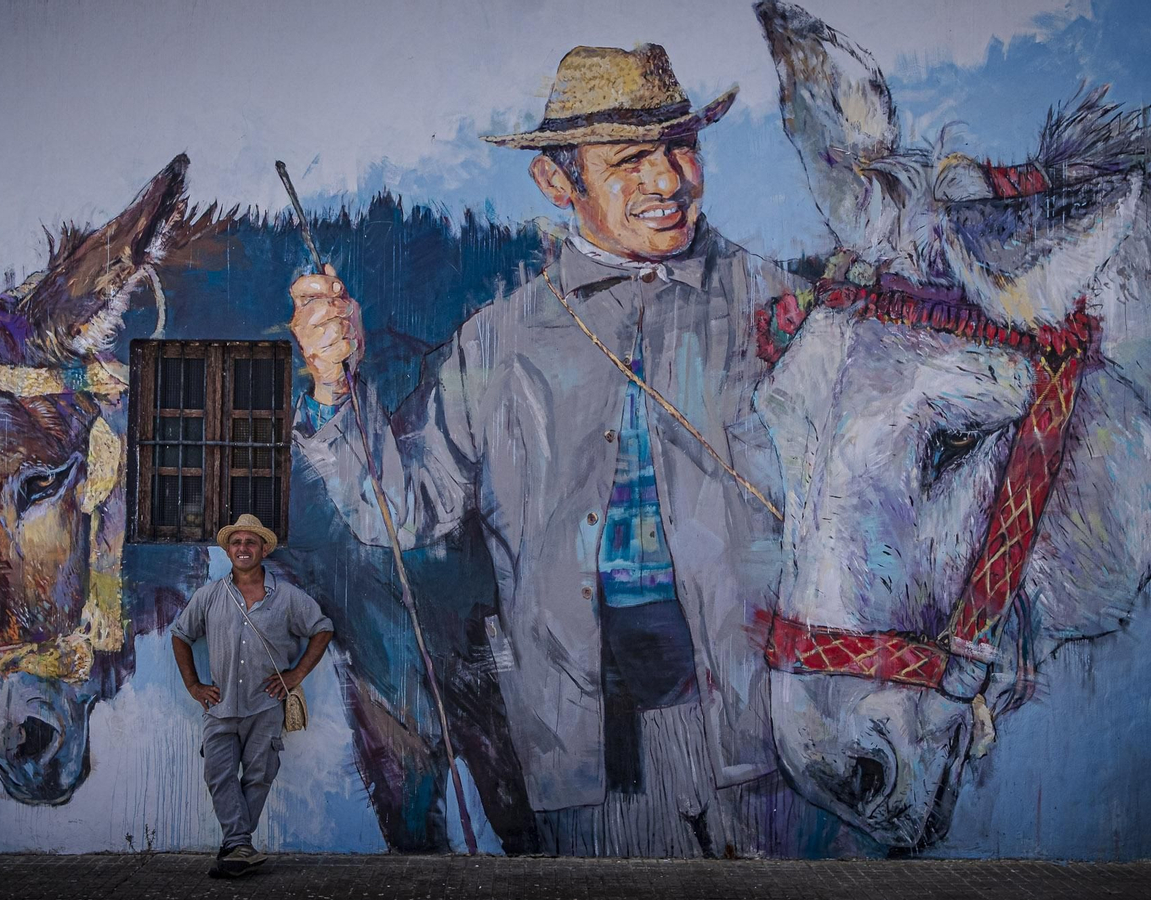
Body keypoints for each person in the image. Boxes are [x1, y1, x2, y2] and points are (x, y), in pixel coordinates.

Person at [289, 44, 803, 857]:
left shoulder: (779, 310)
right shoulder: (498, 344)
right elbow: (403, 511)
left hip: (765, 730)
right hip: (582, 738)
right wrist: (332, 385)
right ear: (557, 184)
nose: (668, 181)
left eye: (680, 147)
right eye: (631, 159)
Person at [170, 514, 335, 877]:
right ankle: (239, 846)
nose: (243, 548)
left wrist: (297, 674)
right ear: (229, 551)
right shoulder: (210, 595)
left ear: (263, 550)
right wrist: (194, 686)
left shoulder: (287, 597)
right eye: (236, 542)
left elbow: (322, 628)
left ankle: (235, 849)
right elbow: (181, 635)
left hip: (266, 705)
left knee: (259, 775)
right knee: (219, 774)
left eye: (250, 542)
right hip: (220, 704)